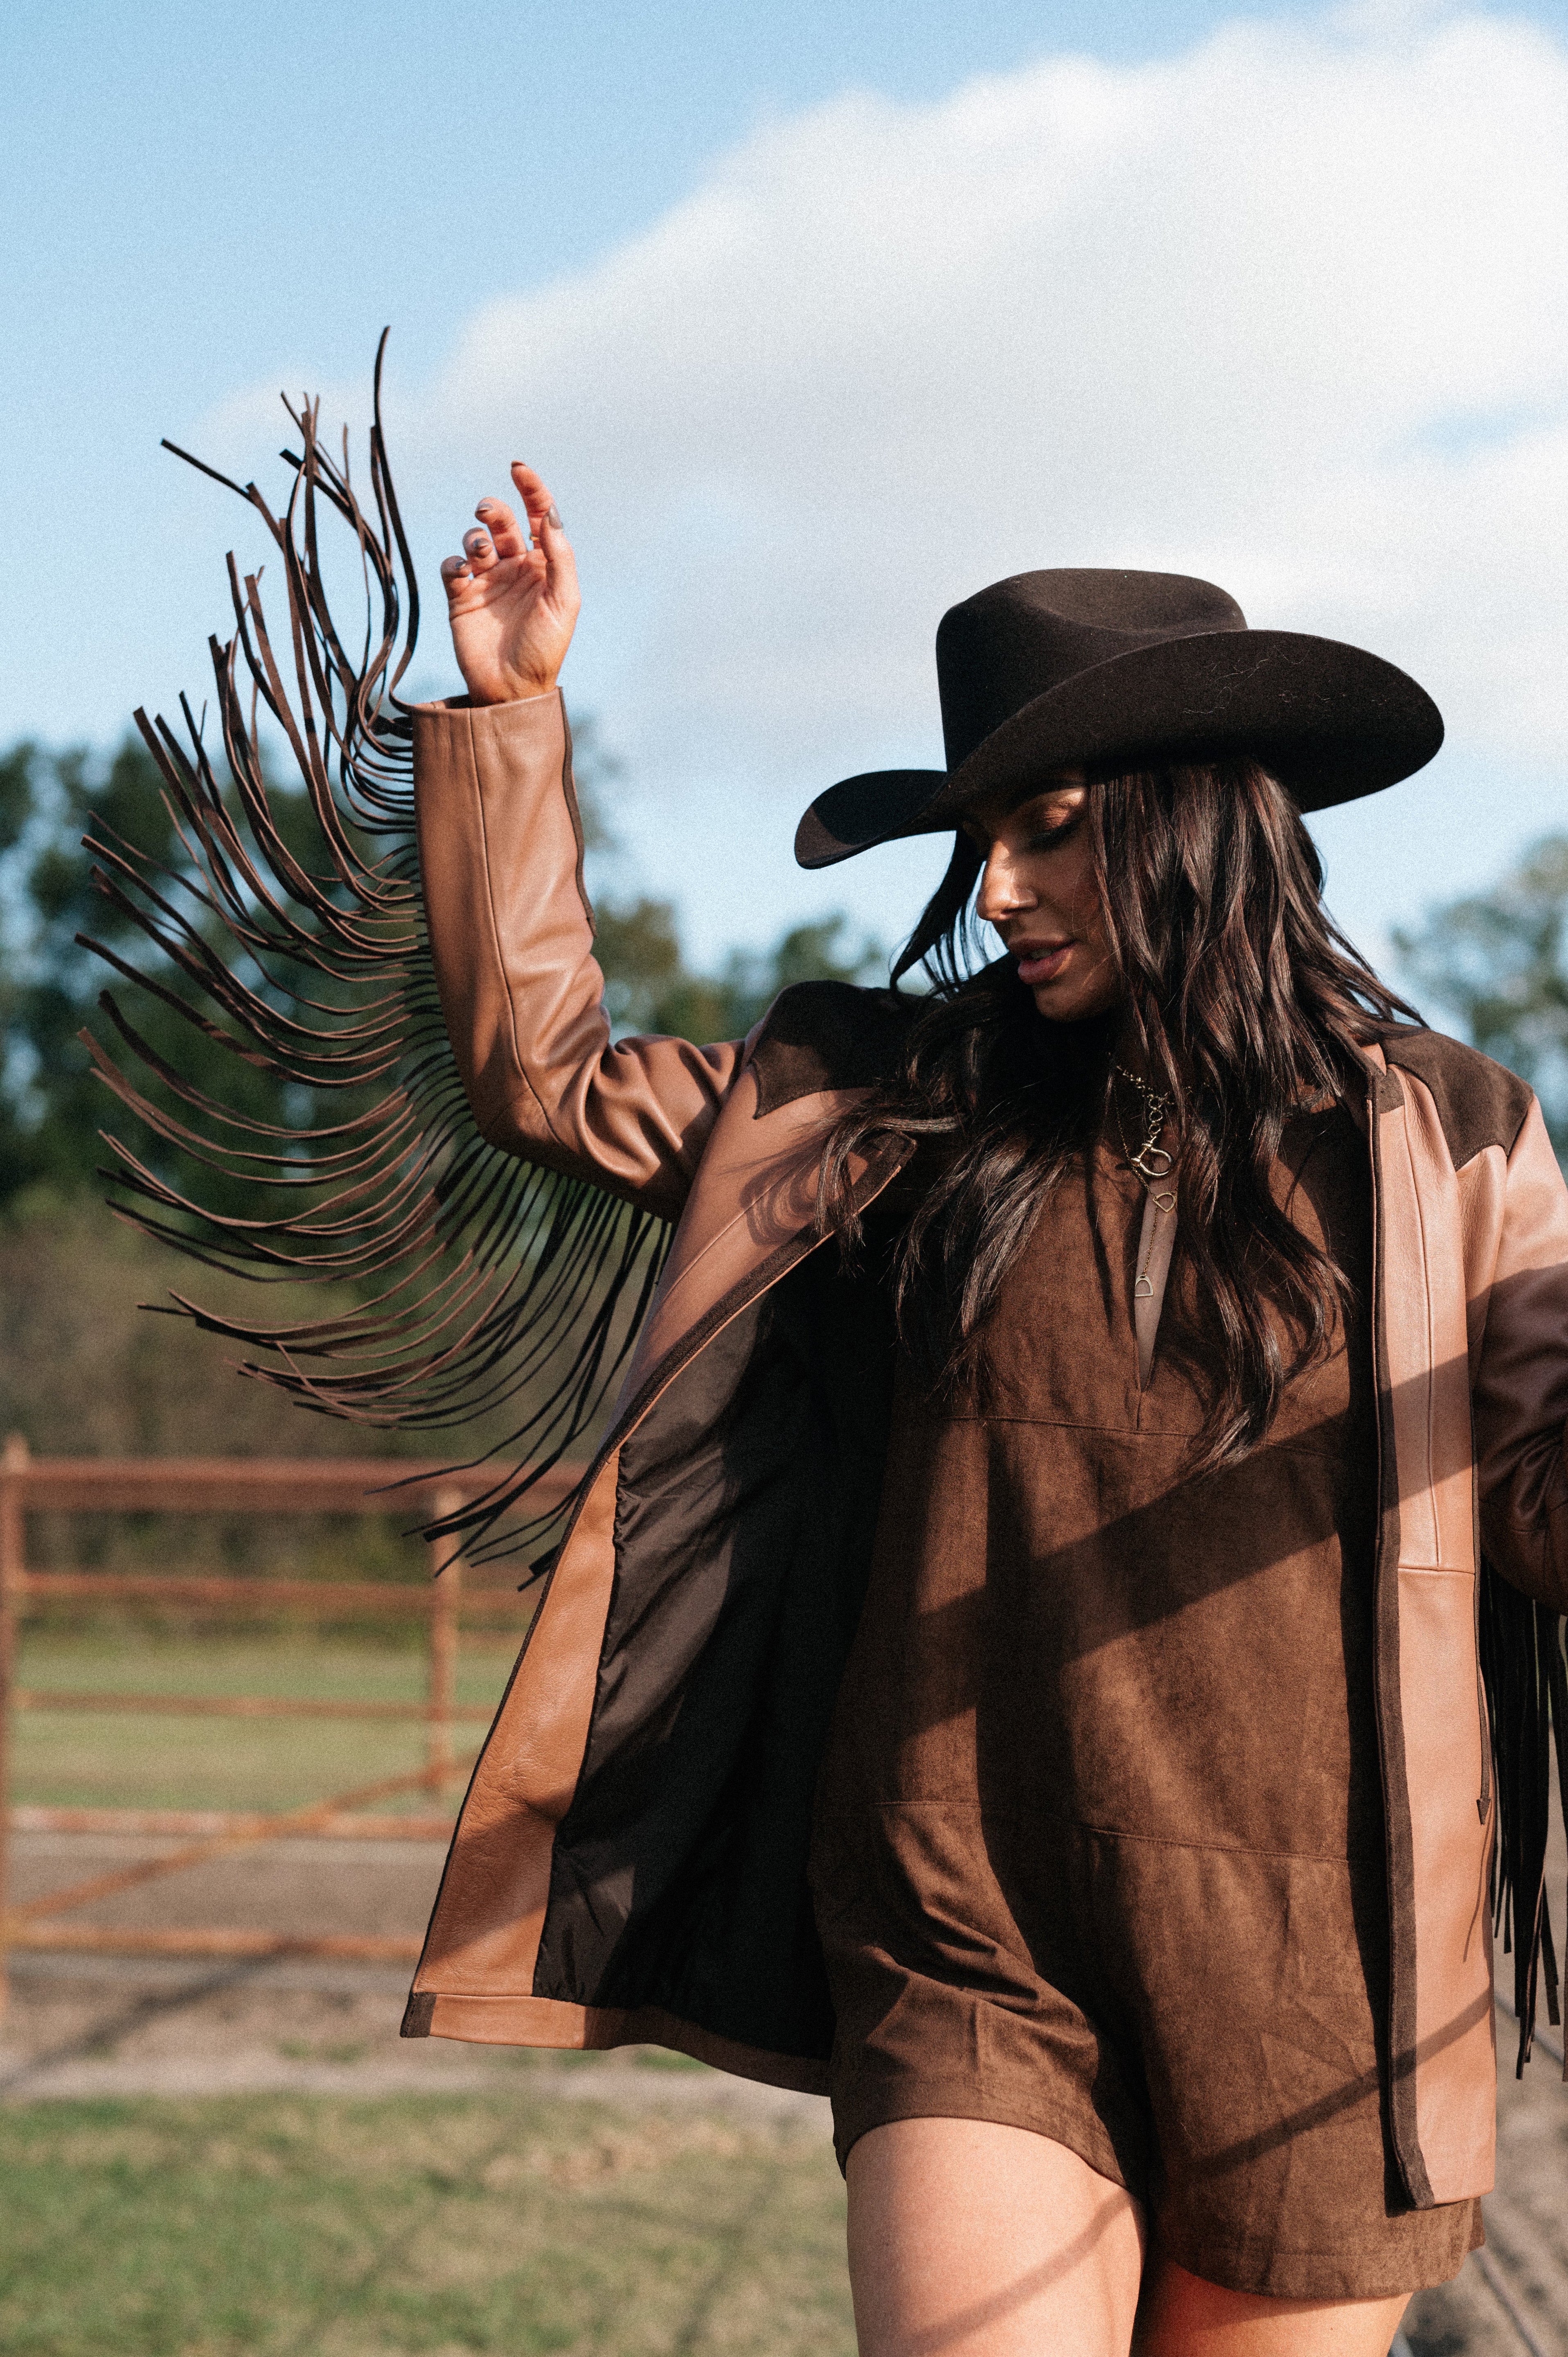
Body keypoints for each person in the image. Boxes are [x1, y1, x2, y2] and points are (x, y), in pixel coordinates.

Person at [399, 462, 1568, 2357]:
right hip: (963, 1926)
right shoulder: (891, 1108)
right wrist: (513, 721)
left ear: (1197, 824)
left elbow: (1536, 1508)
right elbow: (543, 1078)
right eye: (983, 841)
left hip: (1319, 1962)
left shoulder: (1447, 1140)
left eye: (1052, 831)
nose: (998, 890)